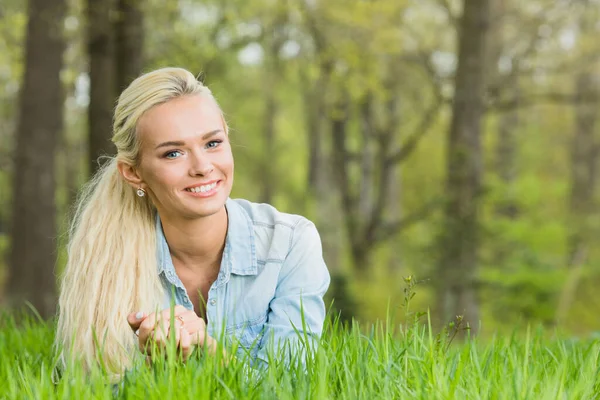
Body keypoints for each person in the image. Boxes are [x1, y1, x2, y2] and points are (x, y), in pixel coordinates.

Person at [55, 67, 330, 378]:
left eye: (212, 143)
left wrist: (206, 349)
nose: (202, 167)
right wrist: (154, 370)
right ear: (133, 173)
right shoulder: (109, 259)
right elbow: (89, 387)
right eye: (173, 153)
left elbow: (292, 387)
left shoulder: (289, 243)